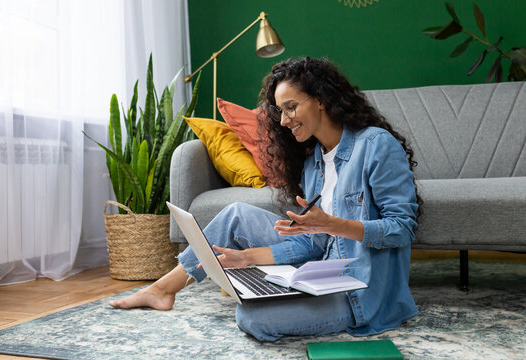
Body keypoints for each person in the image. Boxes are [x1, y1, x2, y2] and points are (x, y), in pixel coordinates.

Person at [109, 57, 421, 342]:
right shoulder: (314, 162)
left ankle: (291, 300)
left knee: (251, 317)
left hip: (360, 292)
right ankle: (162, 289)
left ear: (322, 100)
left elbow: (402, 229)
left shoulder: (376, 145)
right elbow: (313, 245)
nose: (284, 120)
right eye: (280, 111)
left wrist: (332, 225)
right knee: (235, 214)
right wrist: (248, 258)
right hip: (324, 272)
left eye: (291, 107)